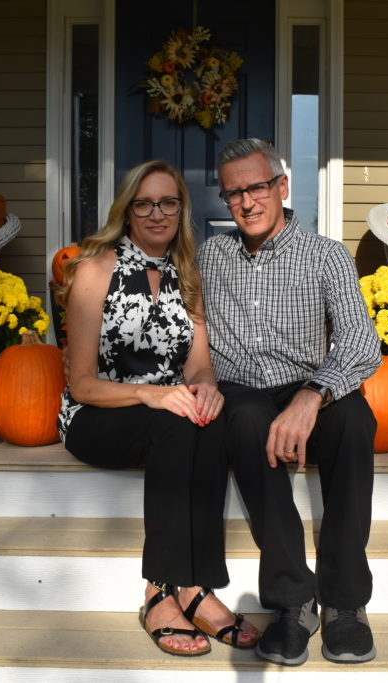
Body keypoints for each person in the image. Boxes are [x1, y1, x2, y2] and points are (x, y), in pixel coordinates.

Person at [55, 159, 259, 657]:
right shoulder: (93, 270)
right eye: (143, 203)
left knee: (207, 417)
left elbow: (197, 366)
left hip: (167, 412)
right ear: (127, 212)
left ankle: (197, 587)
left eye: (168, 202)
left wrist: (206, 386)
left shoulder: (187, 275)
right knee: (176, 422)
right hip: (97, 415)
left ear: (181, 210)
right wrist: (149, 393)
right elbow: (80, 384)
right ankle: (158, 590)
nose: (156, 214)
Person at [196, 138, 382, 666]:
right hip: (243, 393)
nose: (246, 202)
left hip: (310, 384)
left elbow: (360, 344)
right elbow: (193, 326)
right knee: (246, 420)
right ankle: (293, 600)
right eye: (233, 193)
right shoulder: (212, 256)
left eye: (256, 187)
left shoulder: (325, 255)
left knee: (352, 420)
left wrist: (312, 394)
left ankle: (345, 602)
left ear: (281, 187)